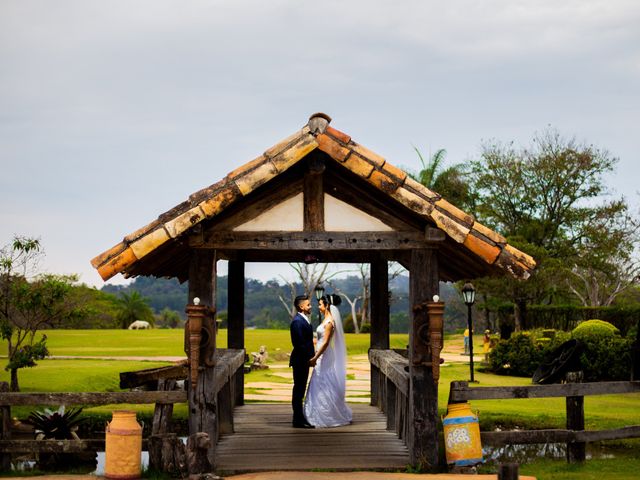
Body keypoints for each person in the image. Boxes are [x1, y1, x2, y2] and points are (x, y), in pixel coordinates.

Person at [304, 294, 353, 428]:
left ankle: (327, 413)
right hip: (321, 352)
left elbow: (325, 343)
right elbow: (320, 339)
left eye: (320, 304)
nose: (318, 306)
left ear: (327, 305)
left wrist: (315, 357)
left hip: (324, 354)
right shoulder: (326, 319)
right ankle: (317, 409)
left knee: (322, 379)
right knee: (321, 379)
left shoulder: (330, 322)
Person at [289, 295, 315, 428]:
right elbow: (299, 344)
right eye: (308, 304)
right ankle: (297, 419)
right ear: (301, 307)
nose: (311, 306)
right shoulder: (297, 322)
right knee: (298, 390)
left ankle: (300, 418)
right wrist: (310, 358)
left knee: (301, 389)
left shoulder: (303, 320)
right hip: (300, 360)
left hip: (303, 360)